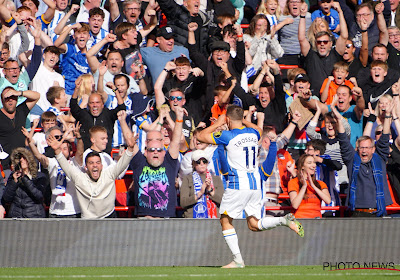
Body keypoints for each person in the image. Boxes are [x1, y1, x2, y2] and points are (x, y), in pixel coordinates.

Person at [196, 105, 304, 268]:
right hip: (255, 186)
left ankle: (238, 260)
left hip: (237, 184)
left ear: (227, 119)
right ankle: (283, 220)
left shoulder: (227, 136)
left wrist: (218, 123)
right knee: (254, 224)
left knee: (225, 220)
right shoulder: (253, 134)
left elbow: (201, 136)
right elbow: (258, 129)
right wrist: (245, 120)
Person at [48, 115, 137, 219]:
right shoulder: (80, 178)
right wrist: (57, 151)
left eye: (97, 163)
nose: (95, 165)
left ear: (102, 165)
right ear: (85, 167)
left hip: (109, 216)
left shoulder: (108, 174)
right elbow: (66, 167)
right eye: (91, 163)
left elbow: (122, 165)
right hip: (88, 220)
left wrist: (130, 149)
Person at [337, 100, 393, 217]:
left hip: (378, 211)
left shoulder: (380, 158)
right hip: (357, 213)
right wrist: (338, 119)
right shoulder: (353, 159)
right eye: (361, 148)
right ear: (357, 149)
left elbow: (385, 138)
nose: (364, 151)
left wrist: (387, 115)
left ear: (373, 149)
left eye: (367, 148)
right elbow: (343, 140)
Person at [127, 106, 185, 218]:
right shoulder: (140, 161)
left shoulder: (169, 162)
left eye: (159, 150)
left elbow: (176, 140)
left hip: (164, 218)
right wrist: (122, 121)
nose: (155, 152)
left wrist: (179, 118)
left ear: (164, 151)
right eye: (152, 149)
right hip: (144, 218)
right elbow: (129, 141)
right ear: (146, 150)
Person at [24, 125, 82, 218]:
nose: (62, 151)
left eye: (65, 149)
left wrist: (78, 138)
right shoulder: (52, 162)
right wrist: (31, 142)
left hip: (73, 211)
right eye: (60, 148)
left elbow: (80, 152)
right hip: (55, 211)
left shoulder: (75, 162)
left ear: (71, 152)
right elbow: (39, 156)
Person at [70, 77, 125, 154]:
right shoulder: (84, 114)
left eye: (97, 102)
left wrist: (115, 90)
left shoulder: (108, 114)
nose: (94, 105)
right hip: (87, 156)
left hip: (105, 156)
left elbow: (122, 108)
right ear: (88, 105)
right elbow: (73, 107)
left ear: (102, 105)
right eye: (92, 103)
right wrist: (76, 89)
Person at [0, 87, 40, 179]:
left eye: (13, 97)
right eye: (7, 98)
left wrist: (19, 92)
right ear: (2, 101)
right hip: (5, 165)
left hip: (21, 164)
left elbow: (37, 96)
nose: (10, 101)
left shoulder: (21, 110)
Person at [1, 147, 47, 218]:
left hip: (34, 215)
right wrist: (14, 181)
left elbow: (39, 196)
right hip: (16, 215)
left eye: (24, 158)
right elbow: (7, 198)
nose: (21, 160)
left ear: (30, 160)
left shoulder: (39, 176)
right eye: (20, 158)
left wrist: (24, 178)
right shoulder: (13, 176)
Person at [180, 149, 224, 218]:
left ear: (207, 163)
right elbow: (183, 203)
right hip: (193, 219)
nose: (202, 164)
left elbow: (223, 201)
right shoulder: (187, 179)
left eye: (204, 161)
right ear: (193, 164)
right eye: (198, 162)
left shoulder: (216, 179)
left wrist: (210, 190)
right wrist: (200, 193)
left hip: (214, 219)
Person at [288, 154, 331, 218]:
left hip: (316, 219)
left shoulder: (321, 184)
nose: (313, 165)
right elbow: (295, 205)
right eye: (309, 163)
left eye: (314, 162)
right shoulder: (293, 182)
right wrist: (304, 186)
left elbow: (328, 201)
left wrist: (313, 186)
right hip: (300, 219)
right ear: (302, 166)